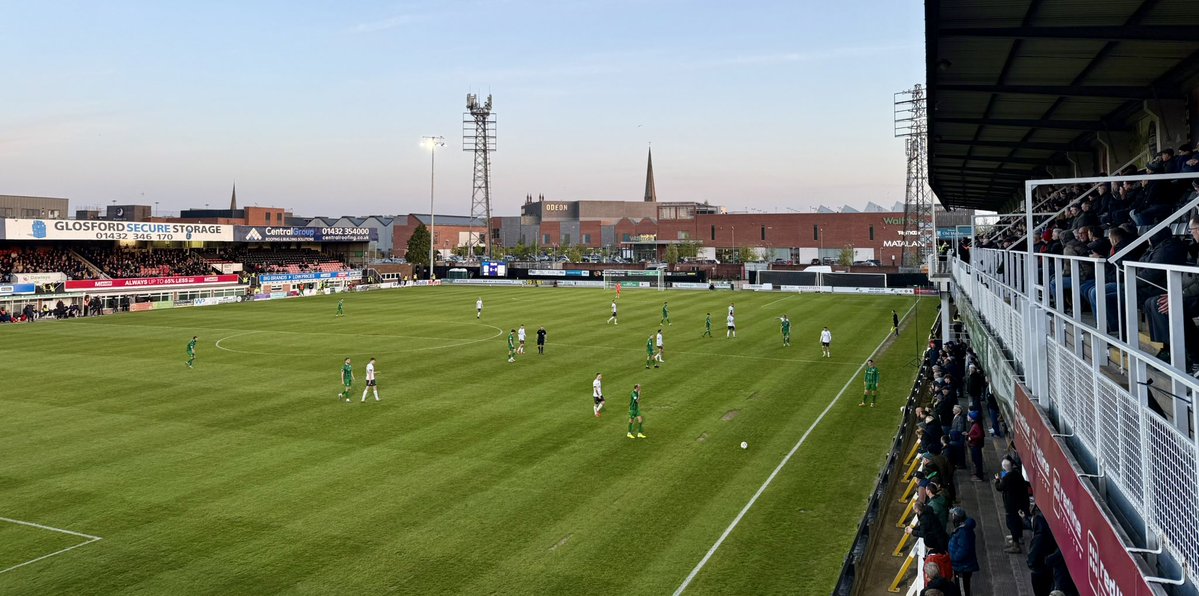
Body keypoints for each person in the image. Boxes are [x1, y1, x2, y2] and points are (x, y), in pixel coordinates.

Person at [995, 457, 1030, 553]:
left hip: (1011, 505)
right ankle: (1018, 537)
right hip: (1020, 502)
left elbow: (999, 487)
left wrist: (997, 480)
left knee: (1011, 523)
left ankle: (1016, 544)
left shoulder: (1006, 478)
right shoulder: (1017, 474)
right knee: (1017, 521)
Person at [948, 507, 979, 596]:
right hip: (962, 566)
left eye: (953, 516)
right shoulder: (964, 529)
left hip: (962, 567)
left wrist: (953, 557)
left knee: (963, 590)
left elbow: (964, 551)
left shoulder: (963, 532)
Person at [966, 411, 985, 481]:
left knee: (978, 461)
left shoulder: (976, 425)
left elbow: (981, 435)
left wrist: (971, 437)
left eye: (969, 416)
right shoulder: (974, 424)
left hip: (976, 446)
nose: (967, 417)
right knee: (976, 460)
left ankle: (979, 476)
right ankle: (978, 473)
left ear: (972, 418)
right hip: (974, 445)